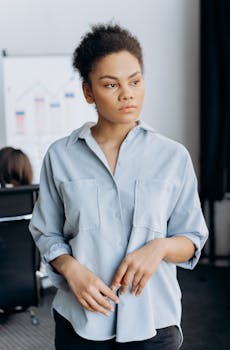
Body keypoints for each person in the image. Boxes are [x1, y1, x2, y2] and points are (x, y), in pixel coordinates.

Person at [29, 23, 208, 350]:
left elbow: (192, 238)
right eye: (111, 84)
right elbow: (46, 232)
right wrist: (71, 269)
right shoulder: (60, 156)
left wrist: (160, 248)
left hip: (155, 324)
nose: (127, 93)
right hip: (81, 323)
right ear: (88, 92)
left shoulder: (172, 156)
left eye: (135, 81)